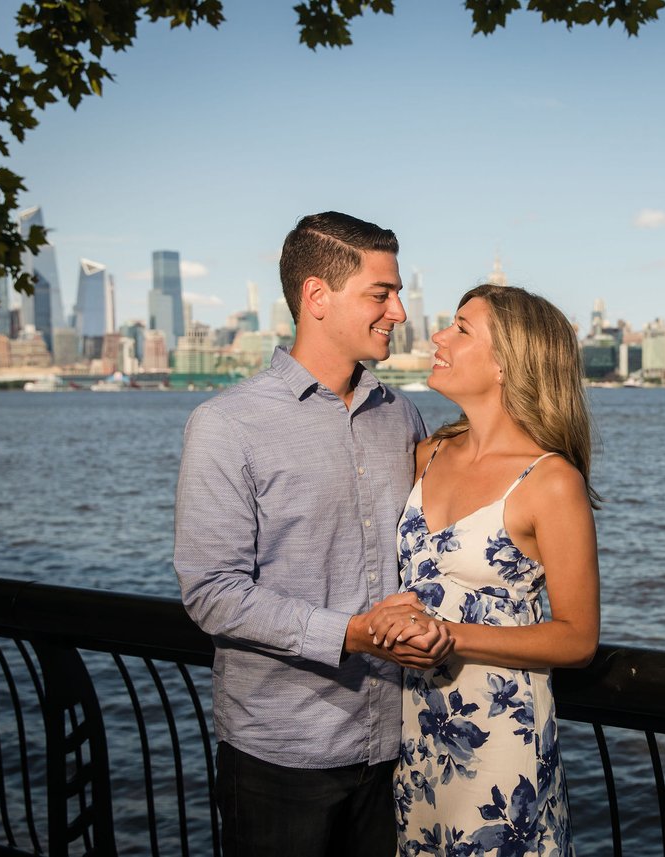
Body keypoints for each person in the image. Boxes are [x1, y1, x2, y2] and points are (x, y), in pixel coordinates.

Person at [173, 211, 452, 857]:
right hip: (282, 753)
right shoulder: (226, 424)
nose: (400, 311)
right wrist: (353, 634)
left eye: (397, 292)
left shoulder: (400, 413)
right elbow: (212, 592)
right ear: (317, 296)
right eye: (381, 293)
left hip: (396, 742)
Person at [367, 284, 601, 856]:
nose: (439, 337)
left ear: (506, 364)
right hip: (417, 731)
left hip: (500, 740)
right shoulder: (429, 453)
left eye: (461, 329)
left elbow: (578, 638)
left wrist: (452, 638)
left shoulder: (550, 481)